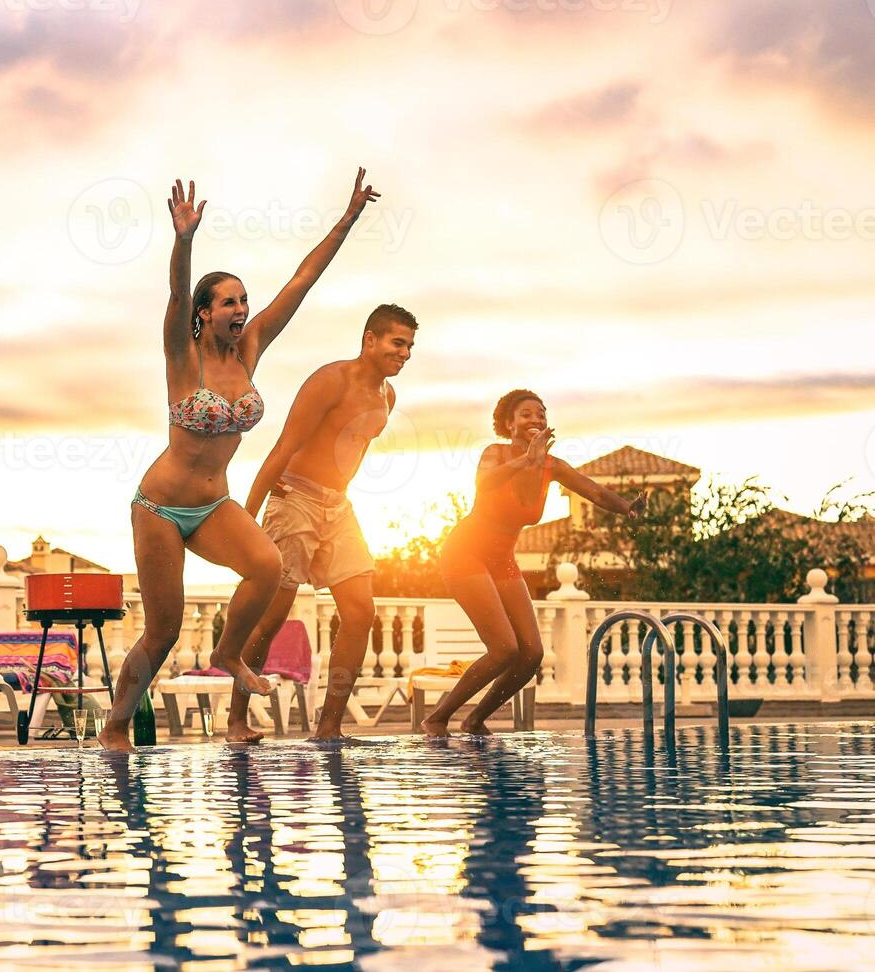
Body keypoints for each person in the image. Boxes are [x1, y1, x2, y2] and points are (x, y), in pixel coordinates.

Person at [98, 171, 381, 753]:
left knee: (268, 566)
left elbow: (302, 282)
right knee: (164, 629)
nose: (241, 309)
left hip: (213, 504)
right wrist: (183, 240)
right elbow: (177, 294)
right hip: (161, 506)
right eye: (229, 302)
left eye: (244, 301)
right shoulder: (184, 354)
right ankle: (117, 726)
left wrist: (348, 219)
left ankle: (229, 651)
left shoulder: (249, 348)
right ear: (204, 314)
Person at [226, 305, 417, 742]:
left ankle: (328, 728)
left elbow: (356, 450)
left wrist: (340, 495)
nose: (404, 353)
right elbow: (282, 447)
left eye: (409, 346)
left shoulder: (387, 396)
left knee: (361, 611)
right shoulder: (330, 380)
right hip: (295, 497)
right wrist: (246, 521)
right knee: (271, 615)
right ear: (369, 339)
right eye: (396, 343)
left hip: (339, 506)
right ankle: (237, 722)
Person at [421, 390, 647, 737]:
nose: (535, 420)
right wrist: (525, 460)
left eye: (540, 414)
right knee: (504, 649)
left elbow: (594, 492)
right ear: (508, 423)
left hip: (501, 561)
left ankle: (475, 719)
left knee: (531, 653)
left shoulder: (551, 466)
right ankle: (437, 718)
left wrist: (627, 507)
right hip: (464, 553)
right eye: (526, 414)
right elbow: (485, 482)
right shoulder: (494, 454)